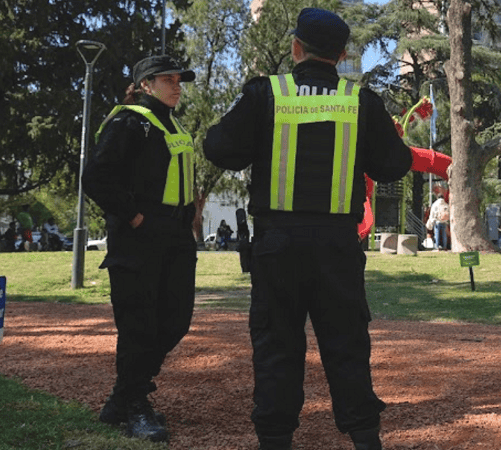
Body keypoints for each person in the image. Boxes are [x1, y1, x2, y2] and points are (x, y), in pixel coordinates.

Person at [202, 8, 413, 449]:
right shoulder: (360, 102)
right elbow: (394, 164)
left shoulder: (266, 95)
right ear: (341, 55)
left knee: (277, 345)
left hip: (277, 244)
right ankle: (365, 439)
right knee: (347, 345)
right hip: (337, 245)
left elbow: (220, 149)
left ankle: (276, 440)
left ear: (296, 48)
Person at [81, 54, 198, 442]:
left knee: (176, 320)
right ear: (146, 85)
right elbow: (96, 177)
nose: (177, 85)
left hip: (176, 237)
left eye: (179, 79)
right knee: (139, 326)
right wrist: (133, 217)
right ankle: (134, 406)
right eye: (168, 79)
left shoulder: (173, 123)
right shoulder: (129, 121)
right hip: (139, 238)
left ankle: (122, 397)